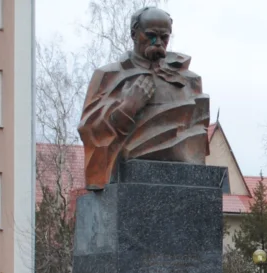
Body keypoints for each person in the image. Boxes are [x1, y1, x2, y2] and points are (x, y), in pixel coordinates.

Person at [78, 7, 209, 189]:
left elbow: (197, 130)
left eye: (164, 37)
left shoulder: (189, 81)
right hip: (126, 175)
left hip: (183, 173)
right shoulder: (108, 76)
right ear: (134, 34)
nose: (158, 42)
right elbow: (89, 131)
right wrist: (127, 108)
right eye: (151, 35)